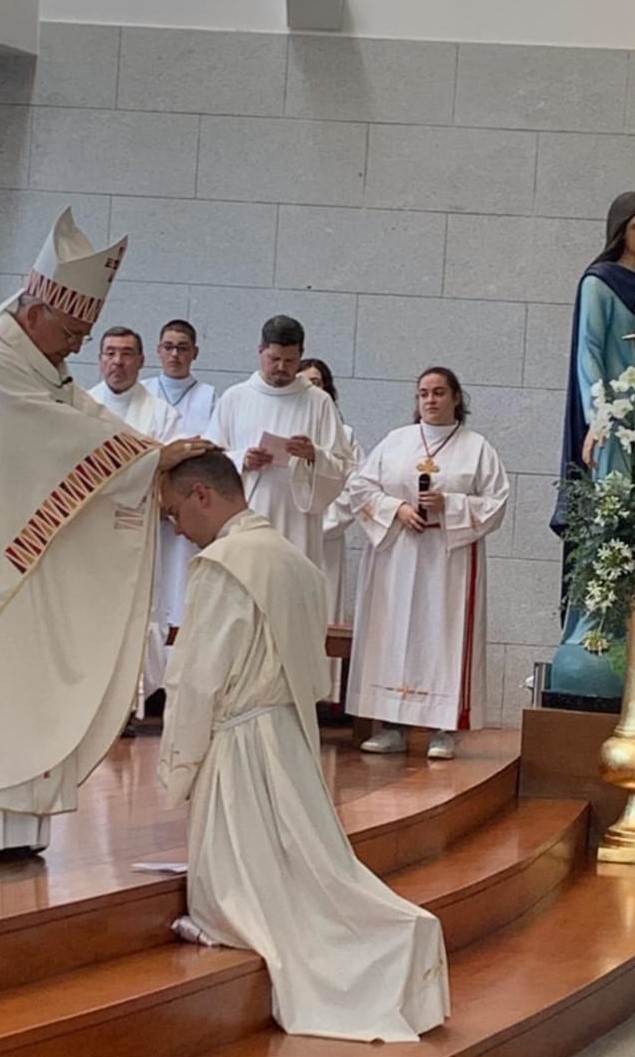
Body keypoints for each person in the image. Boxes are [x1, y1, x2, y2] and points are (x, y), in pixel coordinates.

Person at [158, 451, 450, 1042]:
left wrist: (178, 768)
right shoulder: (295, 562)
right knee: (308, 868)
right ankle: (395, 942)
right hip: (288, 734)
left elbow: (197, 680)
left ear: (201, 495)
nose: (177, 530)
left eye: (174, 513)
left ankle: (372, 950)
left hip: (241, 745)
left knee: (241, 893)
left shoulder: (223, 566)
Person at [0, 207, 209, 852]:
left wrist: (153, 454)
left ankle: (19, 825)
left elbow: (85, 419)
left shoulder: (43, 363)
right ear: (37, 312)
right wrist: (149, 460)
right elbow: (46, 436)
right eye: (72, 332)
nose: (77, 347)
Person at [346, 368, 509, 758]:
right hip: (398, 554)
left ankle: (444, 729)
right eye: (423, 393)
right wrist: (396, 508)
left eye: (438, 392)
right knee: (394, 634)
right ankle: (392, 726)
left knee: (443, 636)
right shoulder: (396, 441)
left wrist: (448, 504)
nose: (430, 400)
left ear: (456, 398)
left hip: (448, 559)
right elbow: (360, 487)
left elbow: (496, 502)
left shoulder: (476, 448)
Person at [550, 192, 635, 698]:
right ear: (621, 230)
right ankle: (597, 628)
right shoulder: (600, 282)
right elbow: (589, 353)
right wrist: (598, 415)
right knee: (612, 518)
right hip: (616, 423)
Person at [205, 315, 349, 567]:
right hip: (249, 511)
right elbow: (210, 459)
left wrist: (313, 455)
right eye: (274, 359)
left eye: (290, 360)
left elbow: (342, 466)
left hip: (298, 520)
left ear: (301, 354)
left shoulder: (319, 402)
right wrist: (242, 459)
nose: (281, 367)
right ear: (260, 350)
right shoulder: (235, 397)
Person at [90, 326, 182, 699]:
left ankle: (131, 701)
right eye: (110, 353)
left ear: (142, 361)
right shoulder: (81, 408)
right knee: (93, 612)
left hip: (141, 532)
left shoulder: (162, 414)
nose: (118, 362)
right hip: (91, 535)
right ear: (99, 359)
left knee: (139, 614)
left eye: (127, 353)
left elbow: (172, 471)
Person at [143, 319, 216, 628]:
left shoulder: (209, 397)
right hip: (147, 500)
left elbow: (212, 448)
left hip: (186, 504)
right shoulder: (143, 392)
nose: (175, 355)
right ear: (158, 350)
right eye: (169, 347)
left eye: (183, 348)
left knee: (180, 582)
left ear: (194, 353)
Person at [298, 357, 363, 702]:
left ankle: (321, 694)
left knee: (320, 612)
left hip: (325, 540)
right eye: (304, 382)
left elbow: (356, 486)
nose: (310, 389)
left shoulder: (344, 435)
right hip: (287, 534)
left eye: (317, 383)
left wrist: (320, 523)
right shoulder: (285, 428)